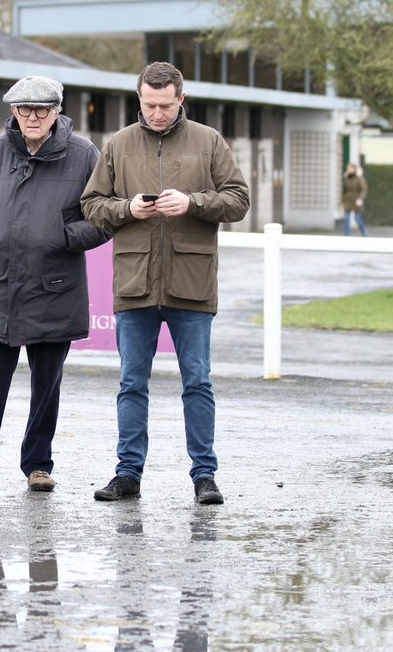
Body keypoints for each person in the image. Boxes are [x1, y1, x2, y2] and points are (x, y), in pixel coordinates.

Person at [0, 75, 111, 492]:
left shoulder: (84, 155)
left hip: (55, 288)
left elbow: (103, 217)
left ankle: (38, 466)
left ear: (57, 111)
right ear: (12, 111)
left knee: (47, 387)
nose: (33, 117)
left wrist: (64, 236)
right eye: (24, 109)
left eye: (42, 109)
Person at [80, 61, 249, 506]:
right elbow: (92, 205)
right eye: (148, 105)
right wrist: (128, 209)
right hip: (135, 282)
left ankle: (204, 476)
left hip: (191, 283)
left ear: (181, 100)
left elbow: (239, 200)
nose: (156, 113)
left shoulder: (208, 141)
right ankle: (127, 474)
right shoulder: (118, 144)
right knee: (131, 383)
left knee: (197, 382)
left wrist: (193, 202)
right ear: (140, 99)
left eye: (165, 105)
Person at [341, 162, 368, 237]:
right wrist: (343, 200)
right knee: (347, 218)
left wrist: (360, 199)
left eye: (350, 168)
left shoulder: (359, 178)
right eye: (348, 168)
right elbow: (344, 190)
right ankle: (346, 235)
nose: (349, 170)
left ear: (354, 169)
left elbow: (364, 190)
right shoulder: (347, 178)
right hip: (348, 202)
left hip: (356, 201)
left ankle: (364, 232)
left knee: (358, 219)